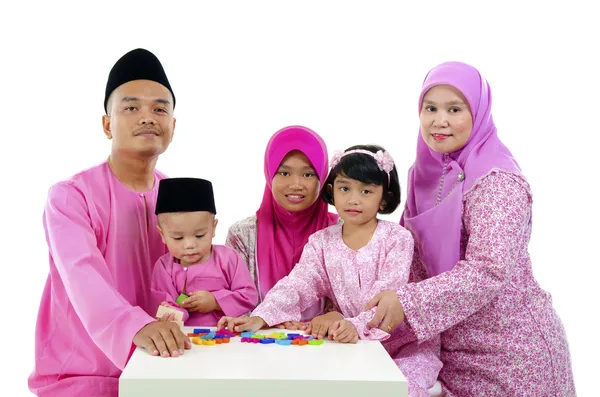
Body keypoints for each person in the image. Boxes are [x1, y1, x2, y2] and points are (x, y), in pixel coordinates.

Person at [364, 61, 576, 396]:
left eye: (455, 109)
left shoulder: (497, 180)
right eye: (430, 108)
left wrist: (406, 302)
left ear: (478, 113)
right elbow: (409, 258)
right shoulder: (423, 173)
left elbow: (488, 271)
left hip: (510, 356)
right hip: (447, 353)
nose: (440, 120)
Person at [28, 48, 190, 397]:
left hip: (161, 368)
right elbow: (84, 276)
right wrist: (132, 326)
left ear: (173, 126)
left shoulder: (175, 197)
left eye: (160, 108)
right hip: (83, 378)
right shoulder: (71, 197)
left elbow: (188, 272)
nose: (148, 117)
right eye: (131, 107)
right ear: (107, 124)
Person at [220, 145, 442, 396]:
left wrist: (354, 325)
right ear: (331, 191)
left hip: (405, 348)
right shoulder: (322, 241)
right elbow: (298, 284)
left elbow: (386, 298)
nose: (353, 199)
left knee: (398, 390)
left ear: (384, 198)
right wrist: (262, 316)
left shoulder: (396, 238)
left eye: (366, 191)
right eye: (344, 188)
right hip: (351, 343)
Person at [225, 125, 341, 334]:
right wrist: (269, 318)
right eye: (285, 172)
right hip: (259, 345)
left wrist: (332, 315)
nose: (296, 184)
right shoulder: (243, 234)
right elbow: (235, 301)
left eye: (308, 174)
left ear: (323, 178)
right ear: (269, 174)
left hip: (326, 345)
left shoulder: (341, 231)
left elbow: (353, 298)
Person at [151, 177, 258, 326]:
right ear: (162, 235)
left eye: (200, 235)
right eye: (178, 237)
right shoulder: (163, 266)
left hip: (227, 335)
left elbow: (249, 295)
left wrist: (215, 301)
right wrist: (172, 313)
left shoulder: (228, 258)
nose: (189, 245)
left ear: (213, 228)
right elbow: (164, 302)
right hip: (186, 339)